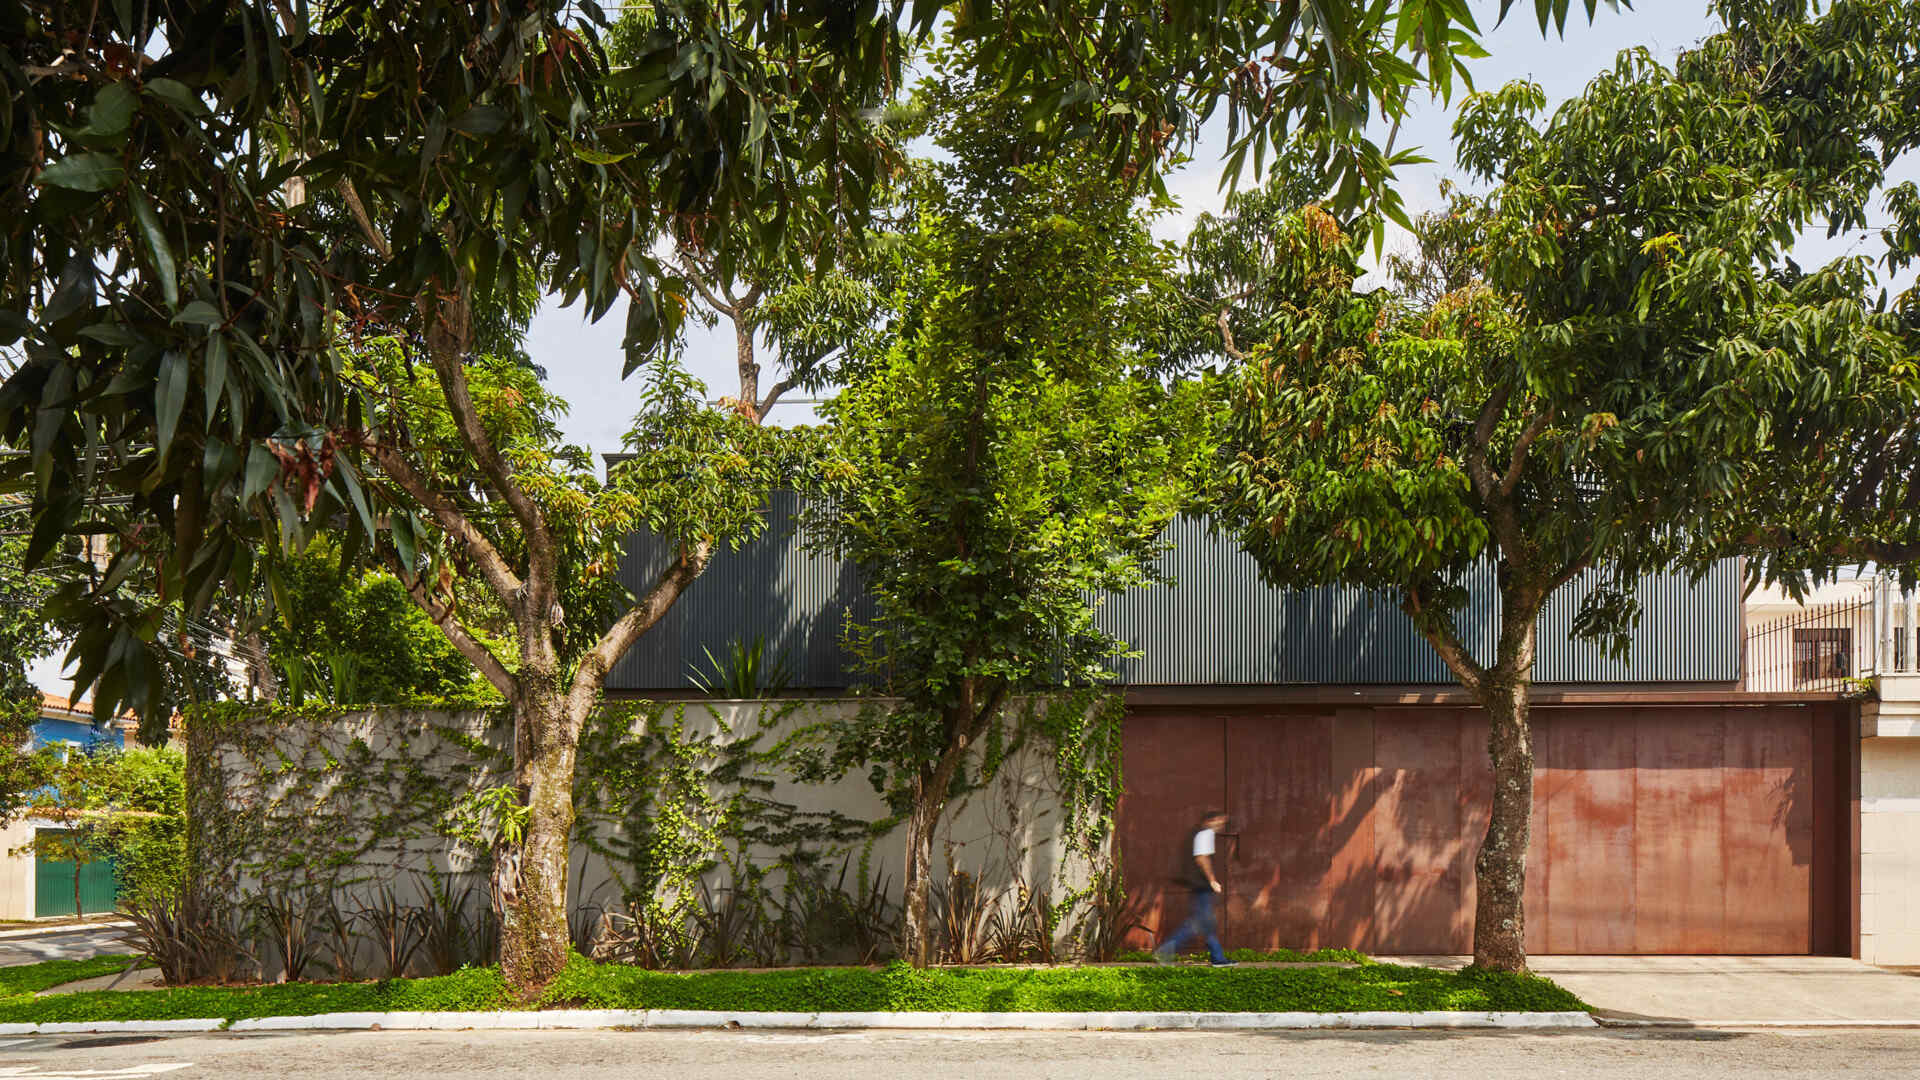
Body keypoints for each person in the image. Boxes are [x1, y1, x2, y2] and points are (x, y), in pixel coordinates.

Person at [1152, 809, 1234, 967]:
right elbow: (1202, 858)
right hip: (1202, 885)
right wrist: (1212, 880)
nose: (1221, 825)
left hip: (1197, 884)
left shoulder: (1198, 833)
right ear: (1210, 821)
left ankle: (1218, 958)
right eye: (1219, 821)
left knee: (1205, 922)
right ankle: (1165, 951)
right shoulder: (1205, 834)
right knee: (1197, 923)